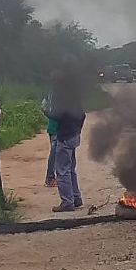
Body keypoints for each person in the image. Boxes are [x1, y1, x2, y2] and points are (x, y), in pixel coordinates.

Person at [50, 58, 86, 212]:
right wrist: (78, 130)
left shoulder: (61, 96)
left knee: (62, 170)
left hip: (65, 136)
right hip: (74, 135)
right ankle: (76, 198)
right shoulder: (74, 95)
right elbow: (83, 115)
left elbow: (58, 115)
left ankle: (67, 202)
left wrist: (45, 111)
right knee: (70, 168)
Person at [41, 89, 58, 187]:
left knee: (55, 153)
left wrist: (50, 116)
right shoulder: (57, 93)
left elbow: (43, 107)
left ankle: (53, 177)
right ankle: (50, 178)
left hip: (53, 127)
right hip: (56, 128)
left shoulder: (51, 92)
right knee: (55, 154)